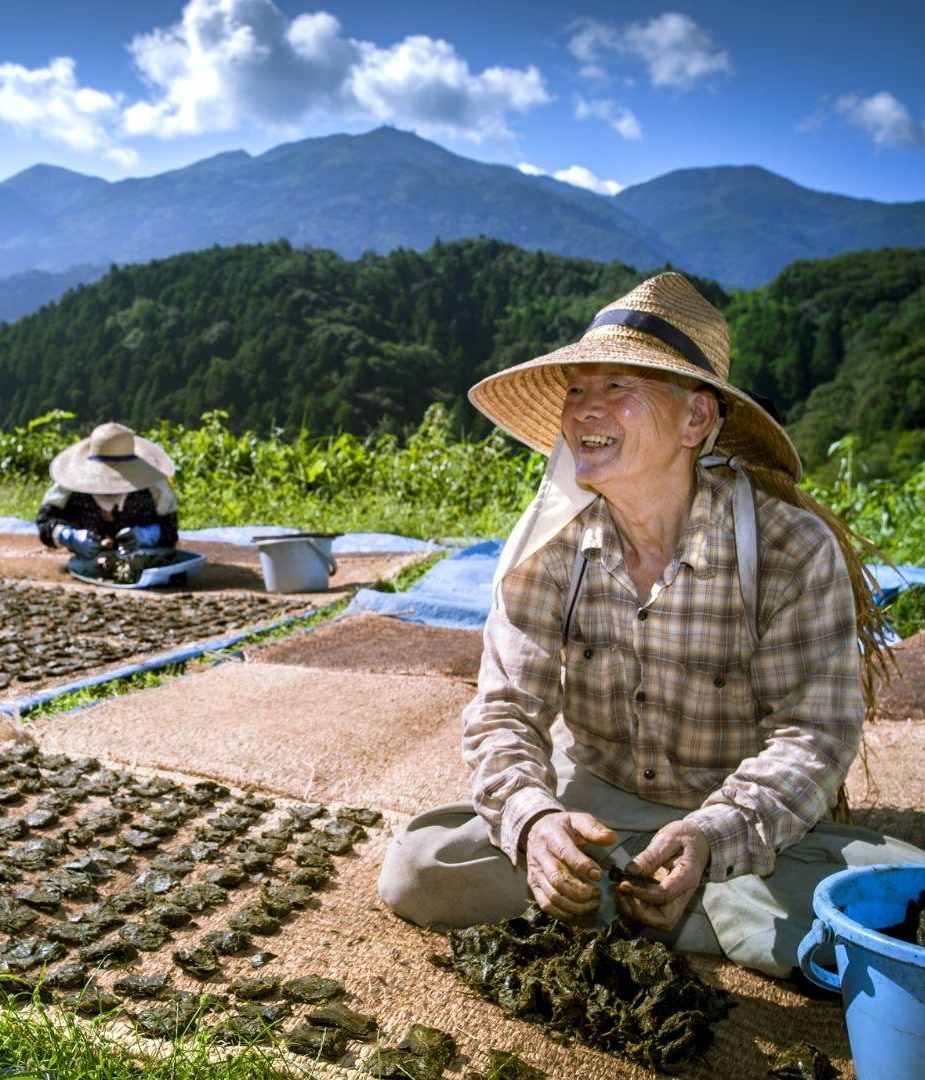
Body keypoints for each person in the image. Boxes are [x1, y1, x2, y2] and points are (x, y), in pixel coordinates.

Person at [378, 272, 923, 978]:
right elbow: (505, 709)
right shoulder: (549, 548)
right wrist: (538, 825)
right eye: (577, 389)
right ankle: (685, 909)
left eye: (617, 388)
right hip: (591, 805)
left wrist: (711, 834)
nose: (583, 412)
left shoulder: (788, 551)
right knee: (418, 870)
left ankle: (655, 896)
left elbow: (814, 736)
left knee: (889, 906)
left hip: (732, 815)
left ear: (696, 421)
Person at [36, 421, 178, 559]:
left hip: (140, 558)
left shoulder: (154, 486)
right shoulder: (71, 485)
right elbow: (45, 520)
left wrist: (144, 536)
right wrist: (68, 536)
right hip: (86, 559)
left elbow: (170, 529)